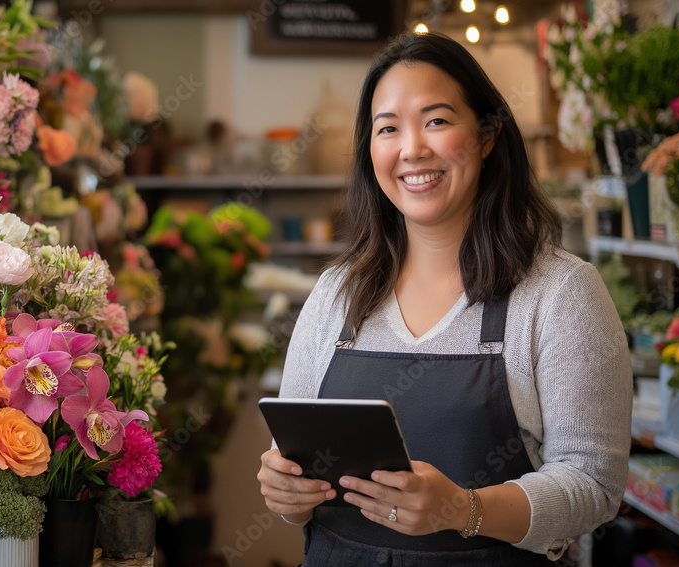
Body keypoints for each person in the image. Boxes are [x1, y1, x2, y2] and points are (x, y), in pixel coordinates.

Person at [257, 32, 632, 566]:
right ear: (371, 150)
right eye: (388, 128)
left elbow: (593, 486)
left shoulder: (560, 294)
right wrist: (287, 495)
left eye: (436, 120)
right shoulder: (335, 295)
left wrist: (464, 509)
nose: (412, 149)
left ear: (486, 136)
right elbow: (295, 467)